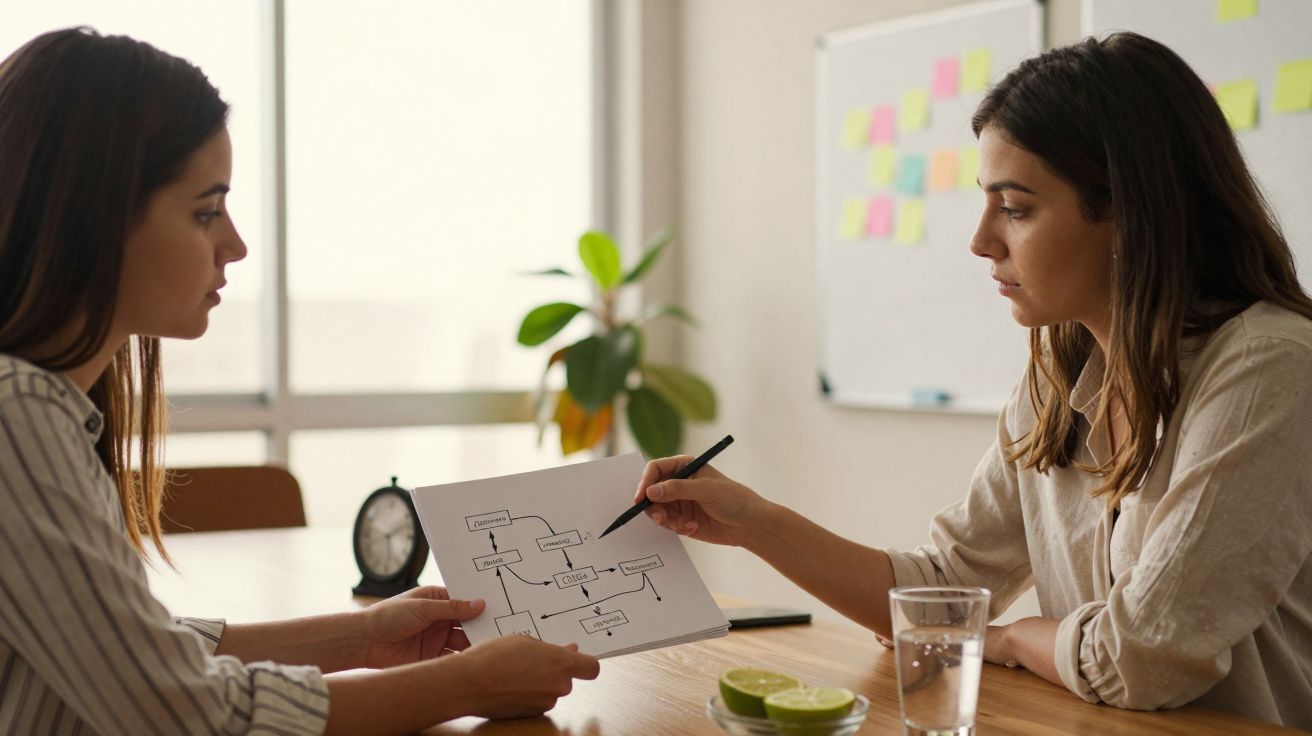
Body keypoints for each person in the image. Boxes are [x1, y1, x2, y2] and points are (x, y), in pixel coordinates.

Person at [636, 31, 1312, 730]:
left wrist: (1012, 637)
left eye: (1015, 208)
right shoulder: (1058, 380)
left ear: (1128, 212)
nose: (981, 240)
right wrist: (754, 522)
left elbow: (1141, 657)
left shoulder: (1271, 368)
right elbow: (940, 593)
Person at [0, 27, 598, 735]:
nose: (236, 245)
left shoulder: (40, 411)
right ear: (91, 221)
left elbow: (131, 651)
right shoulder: (19, 416)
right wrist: (462, 685)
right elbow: (182, 713)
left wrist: (360, 640)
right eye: (204, 212)